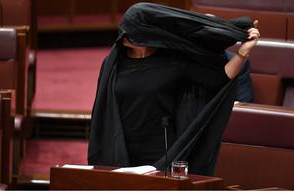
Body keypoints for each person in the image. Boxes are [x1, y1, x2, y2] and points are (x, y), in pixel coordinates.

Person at [88, 3, 260, 176]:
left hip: (160, 151)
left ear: (148, 34)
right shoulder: (113, 63)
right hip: (119, 144)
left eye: (130, 31)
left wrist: (243, 52)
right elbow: (103, 108)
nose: (123, 35)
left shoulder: (174, 62)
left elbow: (219, 78)